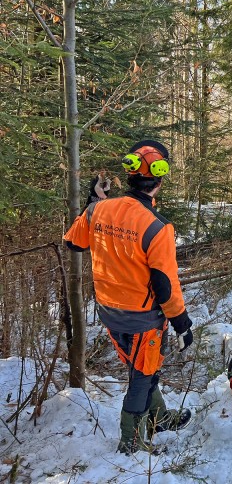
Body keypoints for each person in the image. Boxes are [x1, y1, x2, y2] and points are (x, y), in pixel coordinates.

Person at [64, 140, 193, 454]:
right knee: (142, 376)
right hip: (142, 317)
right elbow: (165, 284)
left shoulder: (99, 209)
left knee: (143, 369)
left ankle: (158, 417)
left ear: (130, 177)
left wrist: (92, 201)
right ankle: (131, 441)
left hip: (108, 310)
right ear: (159, 182)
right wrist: (182, 323)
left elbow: (74, 243)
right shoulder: (157, 227)